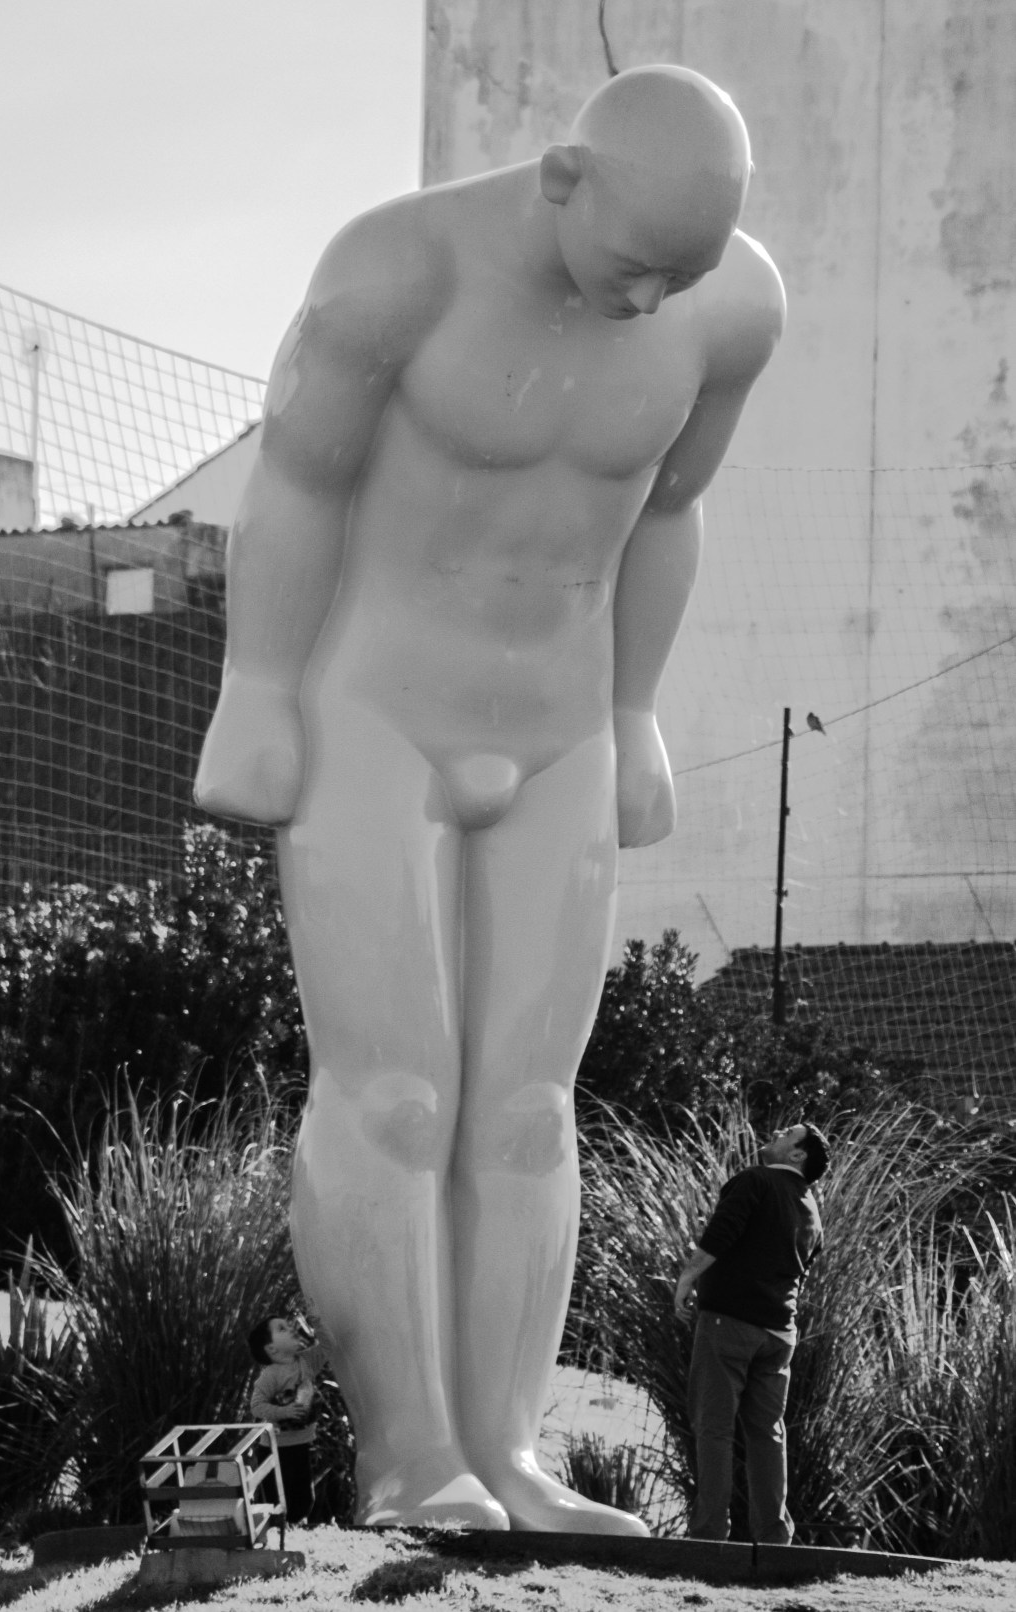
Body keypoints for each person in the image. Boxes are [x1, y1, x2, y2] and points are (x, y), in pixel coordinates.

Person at [196, 63, 785, 1532]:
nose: (648, 301)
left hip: (560, 734)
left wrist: (634, 712)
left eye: (680, 274)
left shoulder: (729, 312)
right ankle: (408, 1454)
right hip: (375, 718)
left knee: (525, 1108)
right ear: (563, 180)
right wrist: (257, 691)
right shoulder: (392, 272)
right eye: (633, 263)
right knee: (393, 1089)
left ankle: (507, 1455)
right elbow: (296, 487)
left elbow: (667, 510)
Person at [674, 1122, 830, 1545]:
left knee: (714, 1427)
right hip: (779, 1335)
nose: (776, 1132)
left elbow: (721, 1233)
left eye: (787, 1133)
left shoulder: (755, 1181)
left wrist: (688, 1277)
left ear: (798, 1154)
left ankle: (708, 1535)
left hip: (729, 1324)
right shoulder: (812, 1208)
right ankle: (774, 1538)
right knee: (767, 1434)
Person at [248, 1314, 329, 1525]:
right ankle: (276, 1529)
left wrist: (316, 1321)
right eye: (282, 1328)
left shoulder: (306, 1362)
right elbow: (257, 1406)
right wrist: (284, 1412)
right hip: (275, 1449)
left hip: (301, 1443)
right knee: (276, 1498)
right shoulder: (271, 1375)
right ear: (272, 1349)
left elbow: (328, 1345)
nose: (291, 1328)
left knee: (303, 1498)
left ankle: (294, 1527)